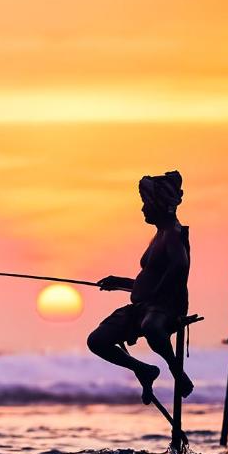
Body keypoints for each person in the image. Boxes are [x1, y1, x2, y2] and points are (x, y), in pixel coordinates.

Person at [87, 170, 194, 404]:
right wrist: (121, 283)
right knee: (96, 340)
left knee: (153, 328)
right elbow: (150, 280)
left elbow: (180, 265)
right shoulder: (159, 235)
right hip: (143, 307)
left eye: (146, 204)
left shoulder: (174, 234)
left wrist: (154, 294)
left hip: (166, 308)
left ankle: (177, 371)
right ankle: (143, 370)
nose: (143, 209)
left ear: (159, 204)